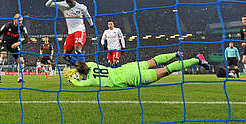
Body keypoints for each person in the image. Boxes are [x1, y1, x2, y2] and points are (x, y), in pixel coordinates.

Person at [64, 52, 210, 87]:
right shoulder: (92, 64)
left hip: (128, 78)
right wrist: (76, 68)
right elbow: (82, 64)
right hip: (127, 67)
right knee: (152, 61)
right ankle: (176, 54)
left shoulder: (91, 81)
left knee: (165, 71)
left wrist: (72, 79)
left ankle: (197, 59)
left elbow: (81, 83)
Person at [45, 0, 94, 64]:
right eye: (67, 2)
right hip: (70, 33)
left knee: (77, 49)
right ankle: (79, 66)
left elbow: (87, 15)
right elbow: (47, 4)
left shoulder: (81, 7)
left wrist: (91, 24)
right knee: (65, 56)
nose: (68, 3)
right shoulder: (63, 5)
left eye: (70, 2)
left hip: (80, 30)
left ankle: (83, 70)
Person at [0, 14, 28, 83]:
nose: (21, 22)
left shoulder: (22, 28)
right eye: (19, 21)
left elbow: (27, 39)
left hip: (14, 45)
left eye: (21, 21)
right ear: (14, 20)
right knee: (3, 55)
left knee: (21, 61)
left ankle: (20, 78)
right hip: (5, 43)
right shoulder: (7, 26)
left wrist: (18, 43)